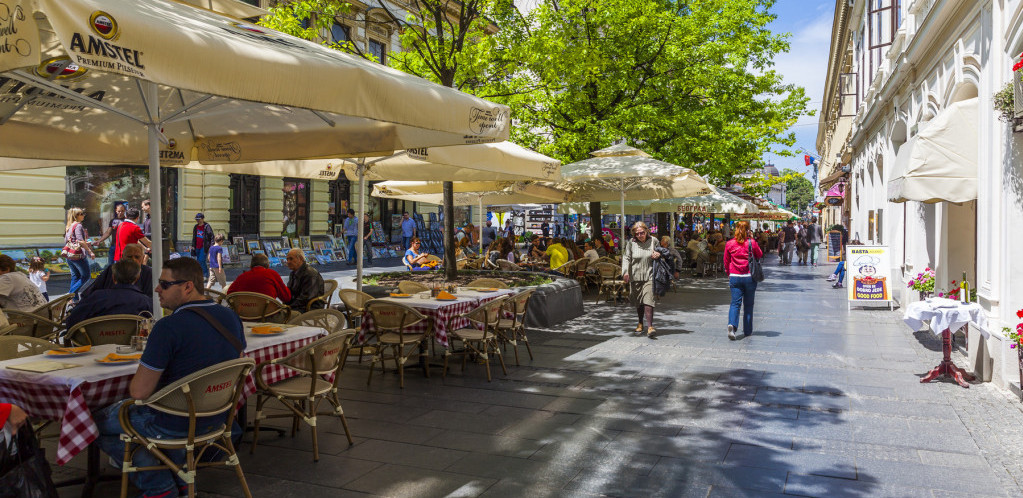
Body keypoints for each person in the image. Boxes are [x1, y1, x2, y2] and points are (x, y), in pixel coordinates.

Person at [93, 257, 246, 498]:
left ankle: (160, 486)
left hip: (172, 422)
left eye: (164, 284)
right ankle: (179, 476)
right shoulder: (230, 317)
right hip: (218, 417)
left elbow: (139, 393)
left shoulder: (168, 327)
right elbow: (237, 360)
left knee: (91, 423)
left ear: (187, 287)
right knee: (131, 425)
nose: (156, 289)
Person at [65, 259, 152, 331]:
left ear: (113, 277)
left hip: (94, 347)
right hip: (133, 349)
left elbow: (71, 322)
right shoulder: (145, 302)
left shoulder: (95, 298)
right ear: (137, 278)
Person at [723, 221, 763, 340]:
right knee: (749, 305)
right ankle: (747, 330)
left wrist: (728, 273)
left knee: (735, 303)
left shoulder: (730, 244)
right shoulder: (751, 243)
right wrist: (752, 240)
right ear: (748, 230)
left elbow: (726, 260)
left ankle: (732, 325)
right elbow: (759, 254)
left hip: (735, 276)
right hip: (749, 276)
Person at [621, 222, 662, 337]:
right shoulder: (631, 243)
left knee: (649, 300)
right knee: (638, 302)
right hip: (635, 276)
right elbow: (626, 258)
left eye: (642, 233)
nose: (640, 235)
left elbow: (662, 252)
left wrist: (658, 254)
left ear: (647, 231)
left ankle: (650, 327)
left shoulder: (654, 241)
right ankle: (640, 322)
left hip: (650, 275)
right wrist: (625, 272)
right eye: (637, 233)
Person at [81, 243, 153, 299]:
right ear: (122, 257)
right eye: (129, 257)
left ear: (143, 257)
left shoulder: (148, 273)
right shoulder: (111, 269)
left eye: (137, 257)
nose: (133, 260)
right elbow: (90, 292)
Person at [226, 253, 291, 301]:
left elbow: (229, 295)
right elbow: (286, 297)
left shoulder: (241, 277)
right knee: (297, 315)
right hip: (269, 315)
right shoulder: (272, 274)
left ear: (251, 265)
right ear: (267, 265)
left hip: (245, 316)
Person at [64, 207, 96, 295]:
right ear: (76, 216)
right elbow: (80, 241)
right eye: (81, 214)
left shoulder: (69, 226)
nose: (83, 215)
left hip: (69, 255)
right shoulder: (78, 225)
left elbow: (69, 241)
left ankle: (73, 299)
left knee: (75, 276)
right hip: (78, 255)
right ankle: (70, 293)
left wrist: (85, 242)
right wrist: (90, 252)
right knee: (86, 276)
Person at [94, 202, 126, 267]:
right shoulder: (113, 220)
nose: (120, 213)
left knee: (121, 265)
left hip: (123, 247)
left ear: (125, 211)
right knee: (110, 265)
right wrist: (99, 241)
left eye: (122, 211)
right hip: (113, 246)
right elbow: (108, 233)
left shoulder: (126, 221)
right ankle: (111, 277)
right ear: (116, 211)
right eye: (119, 211)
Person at [190, 213, 214, 280]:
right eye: (196, 219)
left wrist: (211, 246)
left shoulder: (207, 226)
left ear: (203, 219)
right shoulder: (195, 227)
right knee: (198, 261)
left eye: (199, 219)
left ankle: (205, 275)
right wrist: (193, 246)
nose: (197, 220)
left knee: (201, 260)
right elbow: (194, 237)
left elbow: (212, 236)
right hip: (197, 246)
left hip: (204, 247)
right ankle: (200, 274)